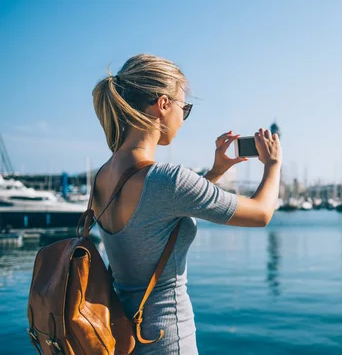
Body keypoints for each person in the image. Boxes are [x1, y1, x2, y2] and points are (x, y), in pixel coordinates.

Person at [91, 54, 282, 354]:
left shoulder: (102, 176)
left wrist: (215, 173)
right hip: (166, 341)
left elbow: (160, 212)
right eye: (185, 108)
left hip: (119, 336)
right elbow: (261, 214)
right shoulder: (169, 180)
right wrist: (273, 165)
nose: (183, 118)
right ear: (163, 105)